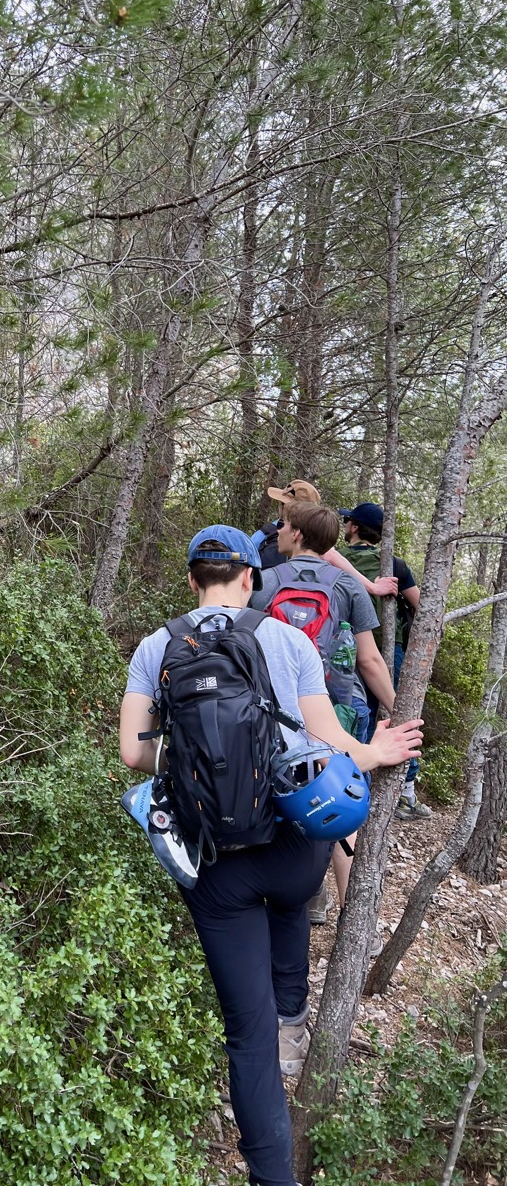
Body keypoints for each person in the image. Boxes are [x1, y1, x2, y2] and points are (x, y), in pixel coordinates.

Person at [119, 525, 423, 1186]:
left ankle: (270, 1173)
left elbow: (133, 753)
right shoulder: (285, 638)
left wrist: (200, 757)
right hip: (291, 850)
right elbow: (330, 739)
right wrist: (383, 751)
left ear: (192, 579)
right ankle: (295, 1005)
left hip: (214, 862)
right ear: (251, 577)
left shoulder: (156, 646)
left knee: (245, 1036)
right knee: (294, 891)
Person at [250, 501, 397, 925]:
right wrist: (397, 710)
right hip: (334, 707)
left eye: (285, 525)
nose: (278, 531)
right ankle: (355, 926)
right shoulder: (348, 586)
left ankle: (304, 897)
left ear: (297, 535)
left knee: (283, 795)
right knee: (338, 801)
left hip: (277, 711)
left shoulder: (266, 581)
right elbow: (369, 660)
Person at [339, 502, 429, 821]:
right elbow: (424, 608)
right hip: (388, 650)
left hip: (342, 651)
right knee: (397, 713)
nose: (344, 525)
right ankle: (404, 794)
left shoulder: (336, 559)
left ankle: (352, 785)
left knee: (353, 713)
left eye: (347, 521)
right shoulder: (395, 564)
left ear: (353, 527)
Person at [255, 481, 399, 601]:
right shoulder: (315, 534)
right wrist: (372, 587)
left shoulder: (266, 532)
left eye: (282, 504)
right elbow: (333, 557)